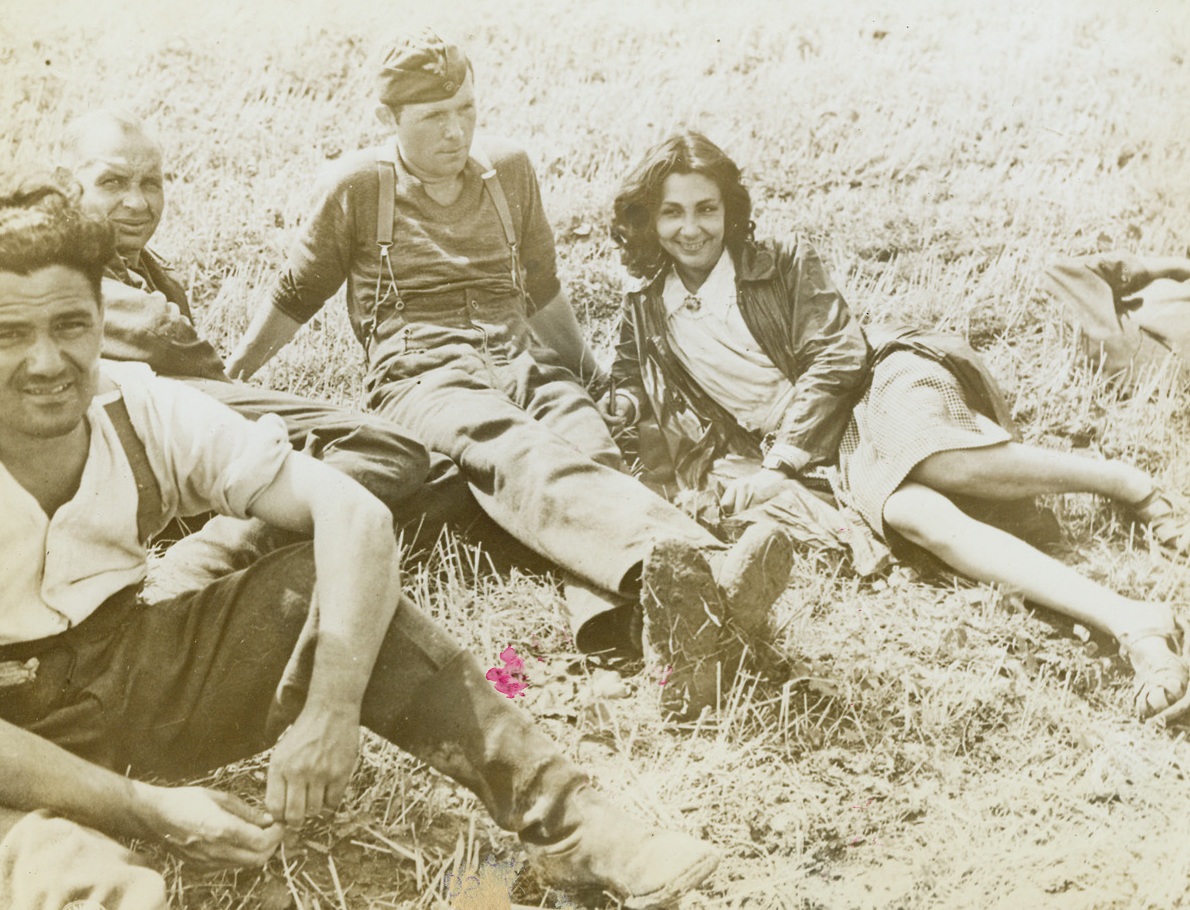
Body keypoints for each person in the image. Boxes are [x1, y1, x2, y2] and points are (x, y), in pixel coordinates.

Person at [0, 174, 720, 910]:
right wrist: (146, 809)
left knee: (323, 586)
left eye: (71, 325)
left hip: (123, 666)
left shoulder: (136, 405)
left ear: (100, 317)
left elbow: (356, 517)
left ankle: (570, 825)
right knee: (89, 885)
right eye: (10, 334)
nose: (48, 362)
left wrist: (330, 712)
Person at [226, 29, 794, 721]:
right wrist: (231, 379)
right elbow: (295, 295)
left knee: (588, 443)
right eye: (433, 117)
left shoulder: (509, 171)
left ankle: (654, 640)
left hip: (517, 351)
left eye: (465, 108)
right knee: (519, 450)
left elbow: (544, 288)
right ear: (390, 119)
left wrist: (585, 376)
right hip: (418, 372)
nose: (456, 130)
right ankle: (701, 571)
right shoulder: (357, 188)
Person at [607, 130, 1190, 724]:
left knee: (940, 460)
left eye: (707, 208)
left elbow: (838, 356)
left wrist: (781, 460)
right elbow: (631, 381)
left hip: (871, 385)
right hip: (822, 452)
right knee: (916, 517)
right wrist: (622, 412)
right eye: (672, 212)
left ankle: (1125, 482)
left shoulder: (780, 260)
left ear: (730, 209)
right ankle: (1132, 620)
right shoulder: (648, 302)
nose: (691, 228)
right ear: (648, 220)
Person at [57, 107, 485, 567]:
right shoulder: (61, 267)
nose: (138, 203)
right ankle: (201, 568)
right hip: (142, 443)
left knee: (439, 475)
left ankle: (298, 559)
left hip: (175, 456)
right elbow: (161, 338)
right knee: (382, 447)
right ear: (66, 184)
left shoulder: (143, 267)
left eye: (150, 184)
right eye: (112, 183)